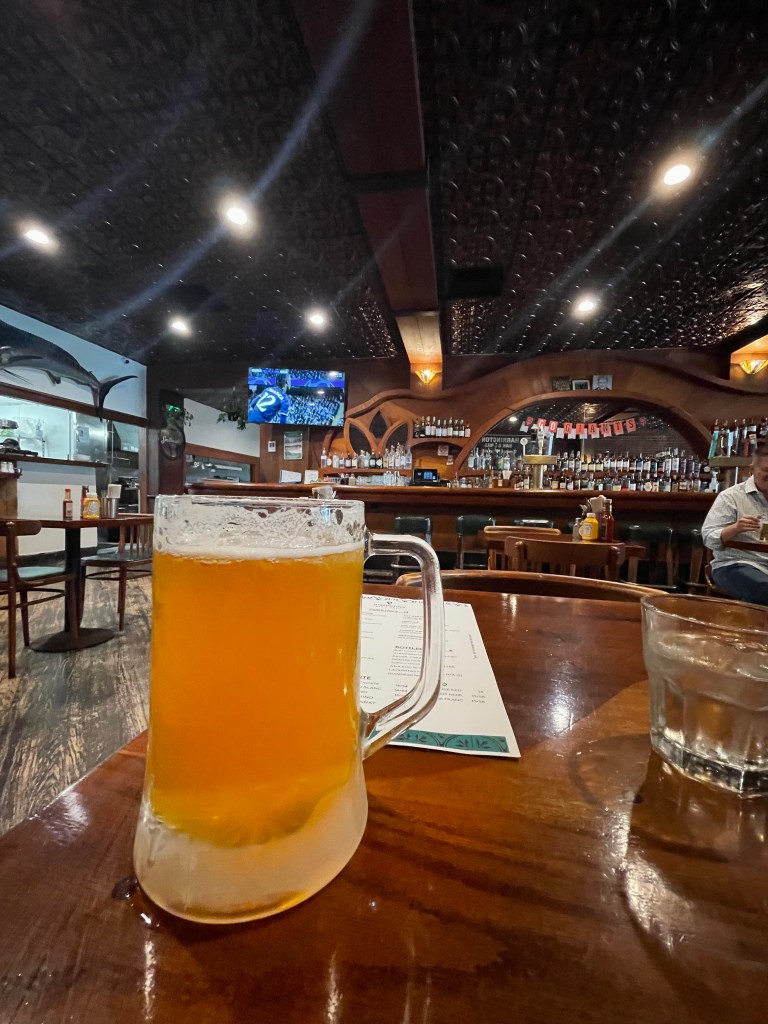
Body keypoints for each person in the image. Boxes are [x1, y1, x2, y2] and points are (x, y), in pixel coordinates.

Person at [702, 441, 768, 605]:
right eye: (767, 471)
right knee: (763, 587)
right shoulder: (731, 497)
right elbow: (709, 537)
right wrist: (735, 528)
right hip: (735, 564)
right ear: (753, 470)